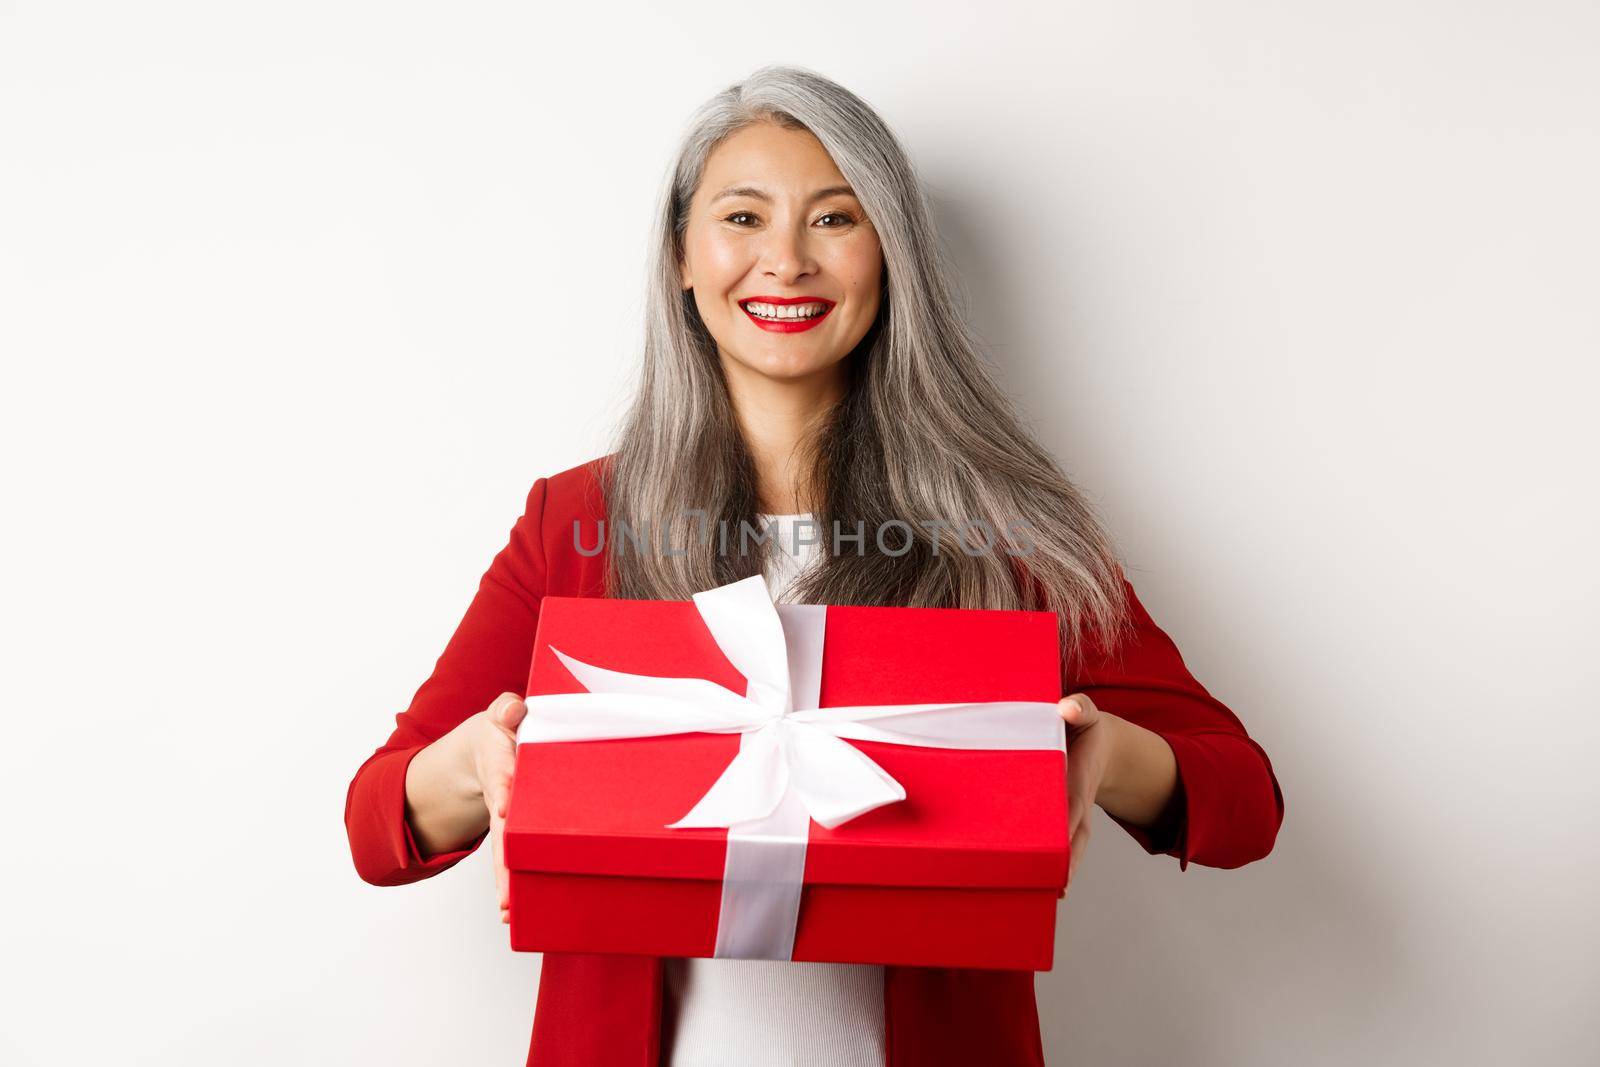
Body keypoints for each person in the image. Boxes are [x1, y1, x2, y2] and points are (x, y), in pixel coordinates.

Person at [344, 64, 1285, 1067]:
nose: (784, 261)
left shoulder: (1005, 528)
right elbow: (376, 821)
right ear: (681, 257)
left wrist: (1103, 753)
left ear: (891, 255)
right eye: (742, 218)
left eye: (835, 219)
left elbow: (1243, 806)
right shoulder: (579, 521)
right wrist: (477, 762)